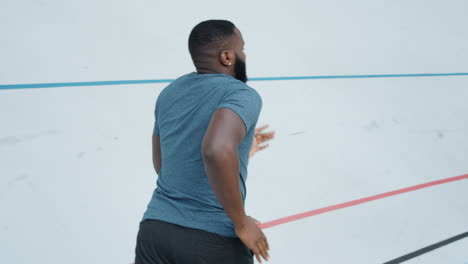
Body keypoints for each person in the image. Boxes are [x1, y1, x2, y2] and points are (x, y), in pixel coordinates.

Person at [134, 19, 275, 264]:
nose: (243, 55)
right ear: (227, 57)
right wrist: (241, 222)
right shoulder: (240, 94)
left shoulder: (170, 93)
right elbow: (217, 149)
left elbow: (164, 165)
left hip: (155, 232)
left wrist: (239, 152)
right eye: (241, 49)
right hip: (211, 241)